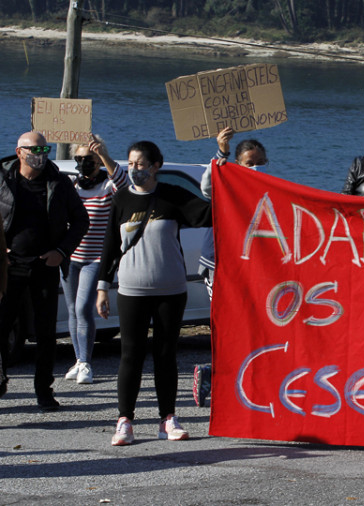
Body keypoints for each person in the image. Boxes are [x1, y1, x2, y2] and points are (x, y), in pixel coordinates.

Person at [97, 140, 212, 446]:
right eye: (131, 164)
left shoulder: (172, 197)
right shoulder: (121, 199)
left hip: (171, 291)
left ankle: (168, 419)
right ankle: (125, 421)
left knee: (165, 355)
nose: (135, 169)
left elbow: (210, 213)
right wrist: (102, 288)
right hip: (132, 290)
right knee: (130, 356)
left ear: (155, 166)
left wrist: (222, 160)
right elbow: (110, 246)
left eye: (141, 164)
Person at [0, 131, 89, 409]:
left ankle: (44, 391)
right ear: (19, 152)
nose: (40, 154)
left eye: (44, 149)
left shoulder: (59, 183)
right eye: (34, 150)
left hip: (43, 267)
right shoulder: (2, 180)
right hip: (8, 268)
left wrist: (61, 252)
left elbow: (80, 221)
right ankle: (0, 381)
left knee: (45, 332)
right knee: (1, 329)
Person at [192, 127, 270, 408]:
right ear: (238, 164)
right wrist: (221, 152)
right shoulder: (225, 179)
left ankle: (245, 379)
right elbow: (207, 187)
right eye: (249, 163)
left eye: (260, 162)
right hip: (219, 265)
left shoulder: (270, 191)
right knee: (223, 324)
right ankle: (212, 375)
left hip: (252, 269)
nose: (255, 168)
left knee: (250, 325)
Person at [62, 135, 128, 385]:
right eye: (79, 159)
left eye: (88, 159)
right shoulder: (72, 185)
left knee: (82, 308)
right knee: (71, 310)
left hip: (95, 257)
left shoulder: (107, 186)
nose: (83, 164)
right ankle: (79, 360)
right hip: (71, 257)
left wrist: (103, 155)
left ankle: (87, 362)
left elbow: (122, 183)